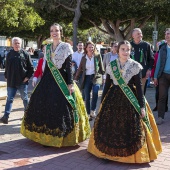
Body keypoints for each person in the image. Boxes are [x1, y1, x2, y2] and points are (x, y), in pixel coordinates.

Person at [87, 40, 162, 163]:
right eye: (123, 49)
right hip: (113, 98)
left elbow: (139, 88)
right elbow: (107, 85)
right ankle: (109, 153)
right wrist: (102, 102)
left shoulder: (135, 66)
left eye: (128, 49)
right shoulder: (112, 65)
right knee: (111, 126)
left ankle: (126, 155)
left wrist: (142, 107)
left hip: (130, 99)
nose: (126, 52)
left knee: (128, 126)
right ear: (118, 50)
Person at [20, 23, 90, 147]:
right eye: (52, 30)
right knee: (44, 105)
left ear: (60, 32)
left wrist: (70, 83)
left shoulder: (66, 46)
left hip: (62, 80)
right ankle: (46, 136)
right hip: (48, 80)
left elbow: (68, 67)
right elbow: (47, 67)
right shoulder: (47, 48)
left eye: (56, 30)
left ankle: (61, 136)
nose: (54, 33)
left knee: (60, 107)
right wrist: (41, 81)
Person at [0, 37, 34, 124]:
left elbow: (31, 68)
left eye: (18, 43)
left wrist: (27, 77)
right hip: (11, 81)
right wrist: (6, 76)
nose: (17, 44)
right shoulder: (9, 54)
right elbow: (6, 67)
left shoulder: (25, 54)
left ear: (21, 44)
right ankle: (5, 117)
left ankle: (28, 116)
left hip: (22, 82)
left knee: (25, 99)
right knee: (9, 99)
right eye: (15, 43)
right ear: (12, 44)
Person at [74, 41, 105, 120]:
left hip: (96, 77)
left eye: (92, 47)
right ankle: (87, 113)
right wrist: (75, 79)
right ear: (86, 48)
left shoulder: (97, 56)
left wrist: (104, 77)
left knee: (95, 92)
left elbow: (101, 67)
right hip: (87, 77)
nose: (91, 48)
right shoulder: (84, 57)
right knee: (87, 96)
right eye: (89, 47)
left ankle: (93, 110)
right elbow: (80, 69)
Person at [154, 28, 170, 125]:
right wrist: (155, 76)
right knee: (162, 96)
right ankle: (160, 117)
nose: (167, 35)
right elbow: (158, 62)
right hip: (163, 75)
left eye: (169, 34)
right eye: (166, 34)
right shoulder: (162, 48)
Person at [130, 28, 154, 94]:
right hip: (130, 75)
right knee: (131, 94)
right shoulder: (129, 45)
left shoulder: (147, 45)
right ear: (133, 36)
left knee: (141, 94)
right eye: (138, 34)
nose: (140, 35)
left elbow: (151, 59)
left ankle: (141, 104)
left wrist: (149, 70)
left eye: (141, 33)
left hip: (142, 74)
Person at [151, 40, 168, 112]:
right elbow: (155, 66)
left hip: (163, 75)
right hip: (157, 75)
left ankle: (165, 106)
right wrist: (153, 75)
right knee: (158, 92)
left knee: (164, 93)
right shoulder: (156, 54)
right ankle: (158, 106)